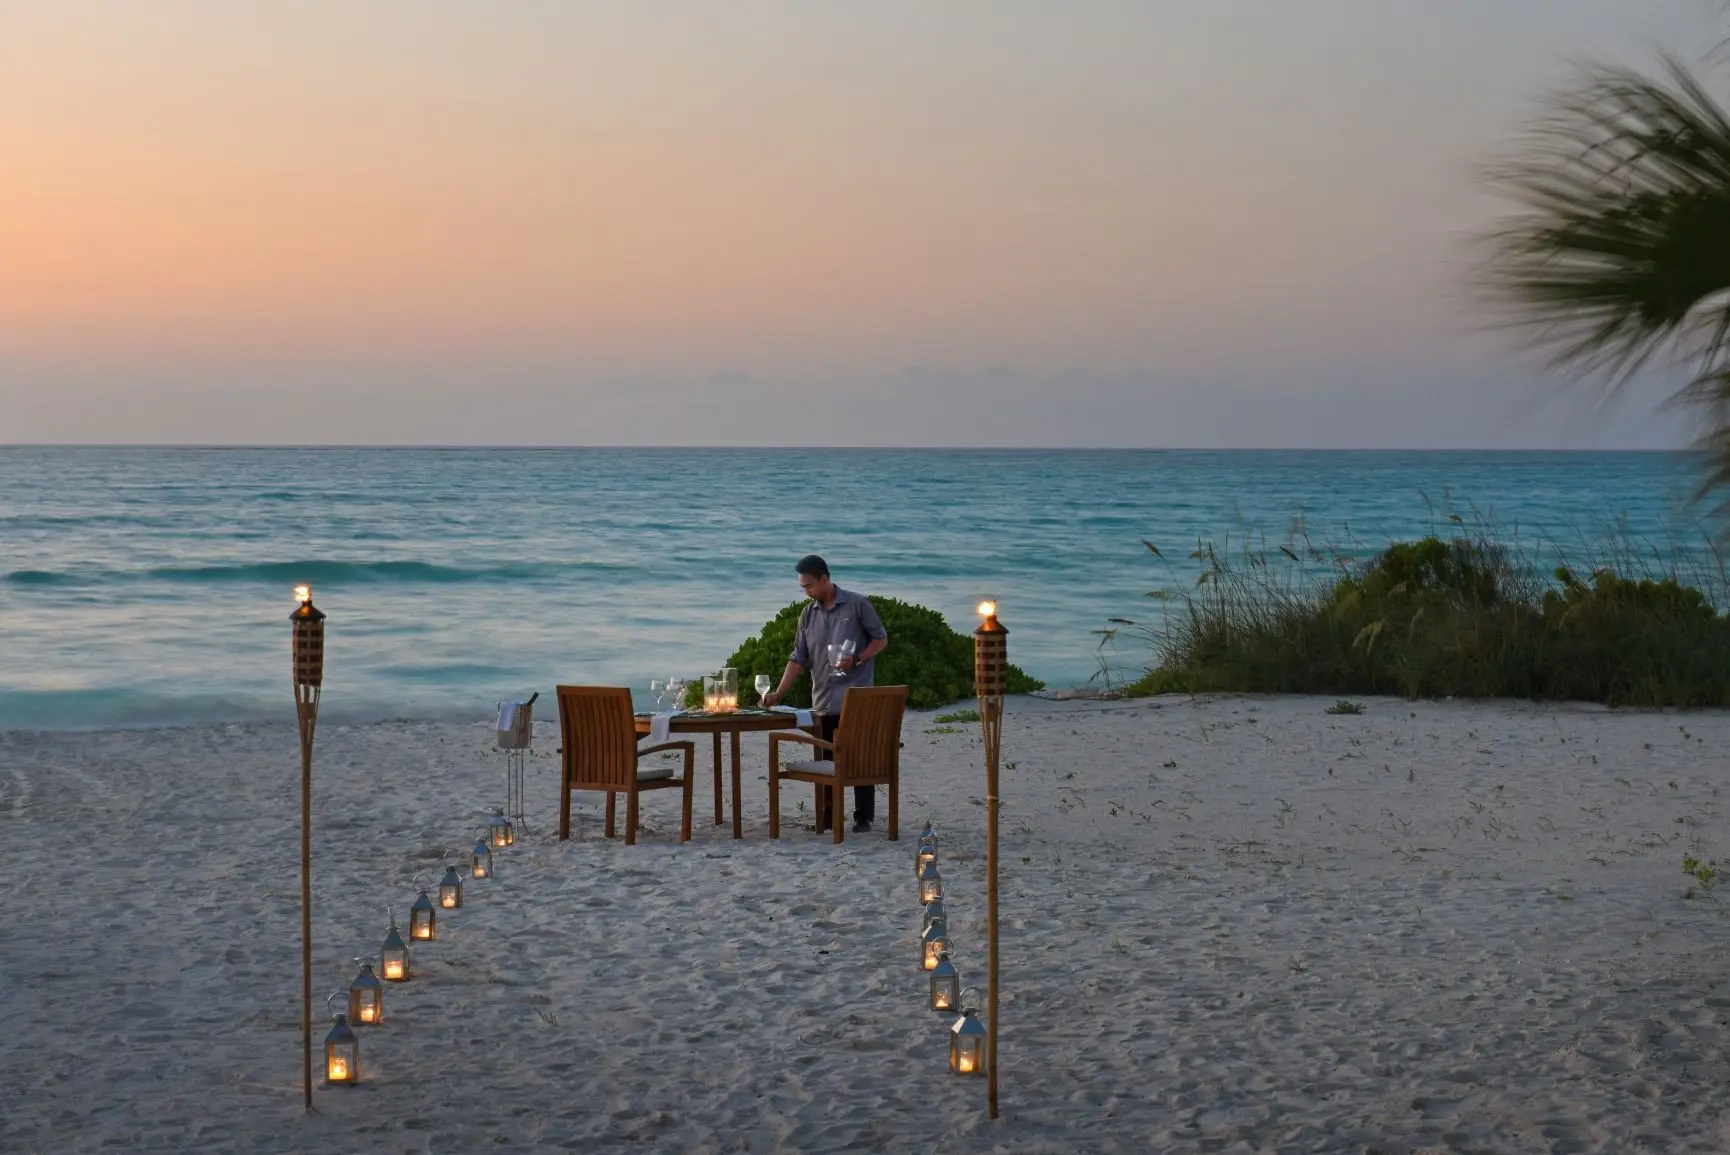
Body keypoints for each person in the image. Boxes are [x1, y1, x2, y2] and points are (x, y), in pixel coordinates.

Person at [761, 554, 889, 832]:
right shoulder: (808, 614)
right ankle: (829, 819)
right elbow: (797, 659)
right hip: (823, 700)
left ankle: (863, 818)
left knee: (858, 758)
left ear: (824, 578)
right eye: (803, 588)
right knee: (827, 759)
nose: (806, 592)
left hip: (855, 698)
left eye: (809, 586)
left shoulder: (857, 604)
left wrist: (857, 659)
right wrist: (778, 694)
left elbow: (881, 638)